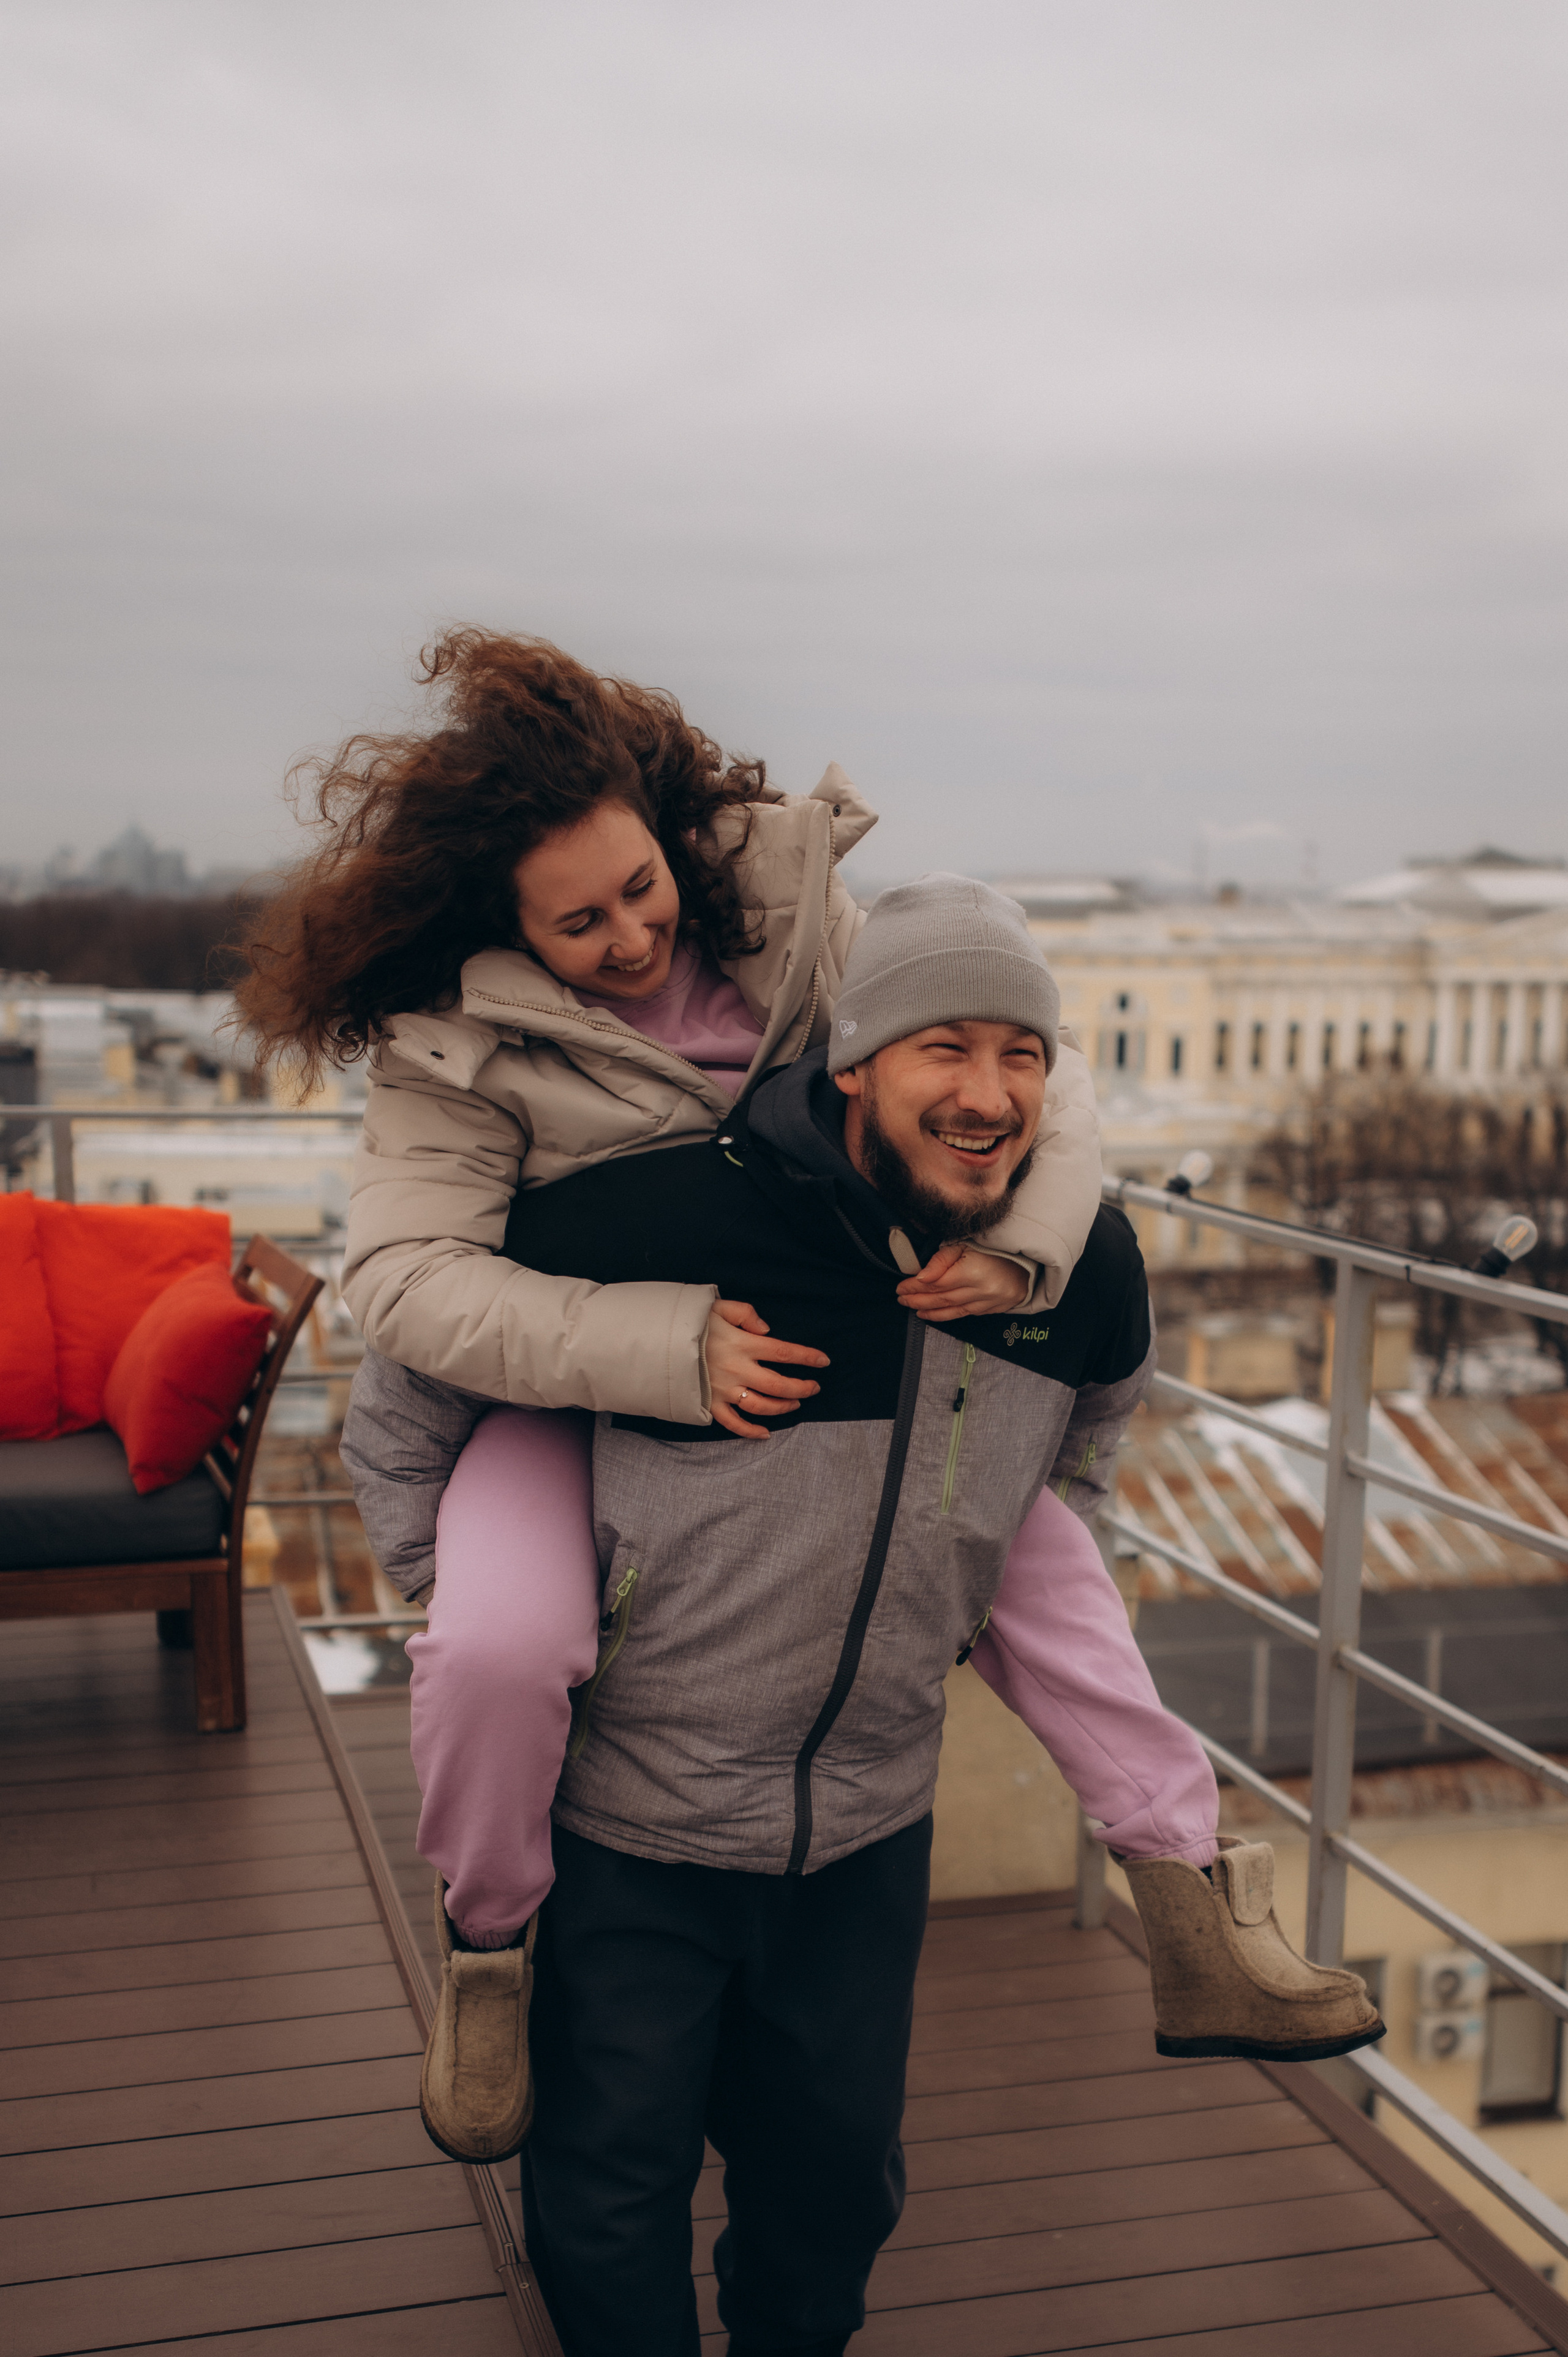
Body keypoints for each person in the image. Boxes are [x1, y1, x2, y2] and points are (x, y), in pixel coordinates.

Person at [345, 875, 1384, 2357]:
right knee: (607, 2193)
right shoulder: (656, 1212)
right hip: (631, 1826)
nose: (986, 1093)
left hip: (864, 1829)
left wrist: (963, 1579)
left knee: (833, 2195)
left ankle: (1187, 1897)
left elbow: (1082, 1446)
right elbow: (408, 1389)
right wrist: (457, 1589)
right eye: (942, 1048)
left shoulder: (1080, 1266)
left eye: (1019, 1054)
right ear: (851, 1062)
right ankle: (487, 1952)